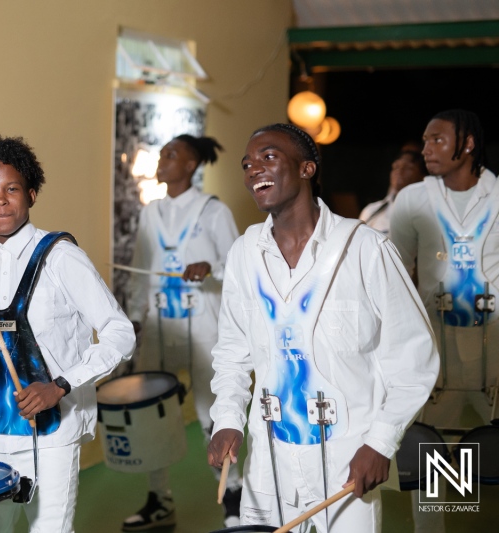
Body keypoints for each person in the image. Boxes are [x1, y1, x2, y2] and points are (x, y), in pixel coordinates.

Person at [207, 123, 438, 532]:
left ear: (307, 168)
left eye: (268, 157)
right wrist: (227, 417)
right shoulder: (245, 253)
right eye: (247, 164)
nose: (253, 169)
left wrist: (380, 443)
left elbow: (414, 356)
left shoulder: (364, 248)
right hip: (270, 459)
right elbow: (232, 350)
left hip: (348, 456)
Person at [0, 136, 135, 533]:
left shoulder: (61, 257)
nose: (0, 201)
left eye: (11, 189)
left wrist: (60, 385)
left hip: (53, 432)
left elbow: (120, 332)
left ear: (31, 194)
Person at [124, 134, 242, 531]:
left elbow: (238, 268)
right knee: (153, 417)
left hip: (204, 325)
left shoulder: (213, 210)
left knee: (213, 415)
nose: (163, 160)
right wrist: (133, 318)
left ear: (192, 165)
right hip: (159, 326)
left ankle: (235, 500)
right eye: (162, 154)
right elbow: (141, 266)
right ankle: (159, 501)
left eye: (172, 154)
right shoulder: (151, 212)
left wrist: (211, 268)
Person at [391, 109, 499, 428]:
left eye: (437, 140)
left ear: (467, 144)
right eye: (425, 141)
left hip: (494, 342)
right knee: (430, 448)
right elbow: (396, 272)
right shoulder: (412, 198)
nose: (426, 150)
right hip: (437, 346)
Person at [358, 150, 426, 234]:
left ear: (423, 176)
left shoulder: (429, 211)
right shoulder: (371, 210)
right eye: (396, 167)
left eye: (408, 167)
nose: (400, 170)